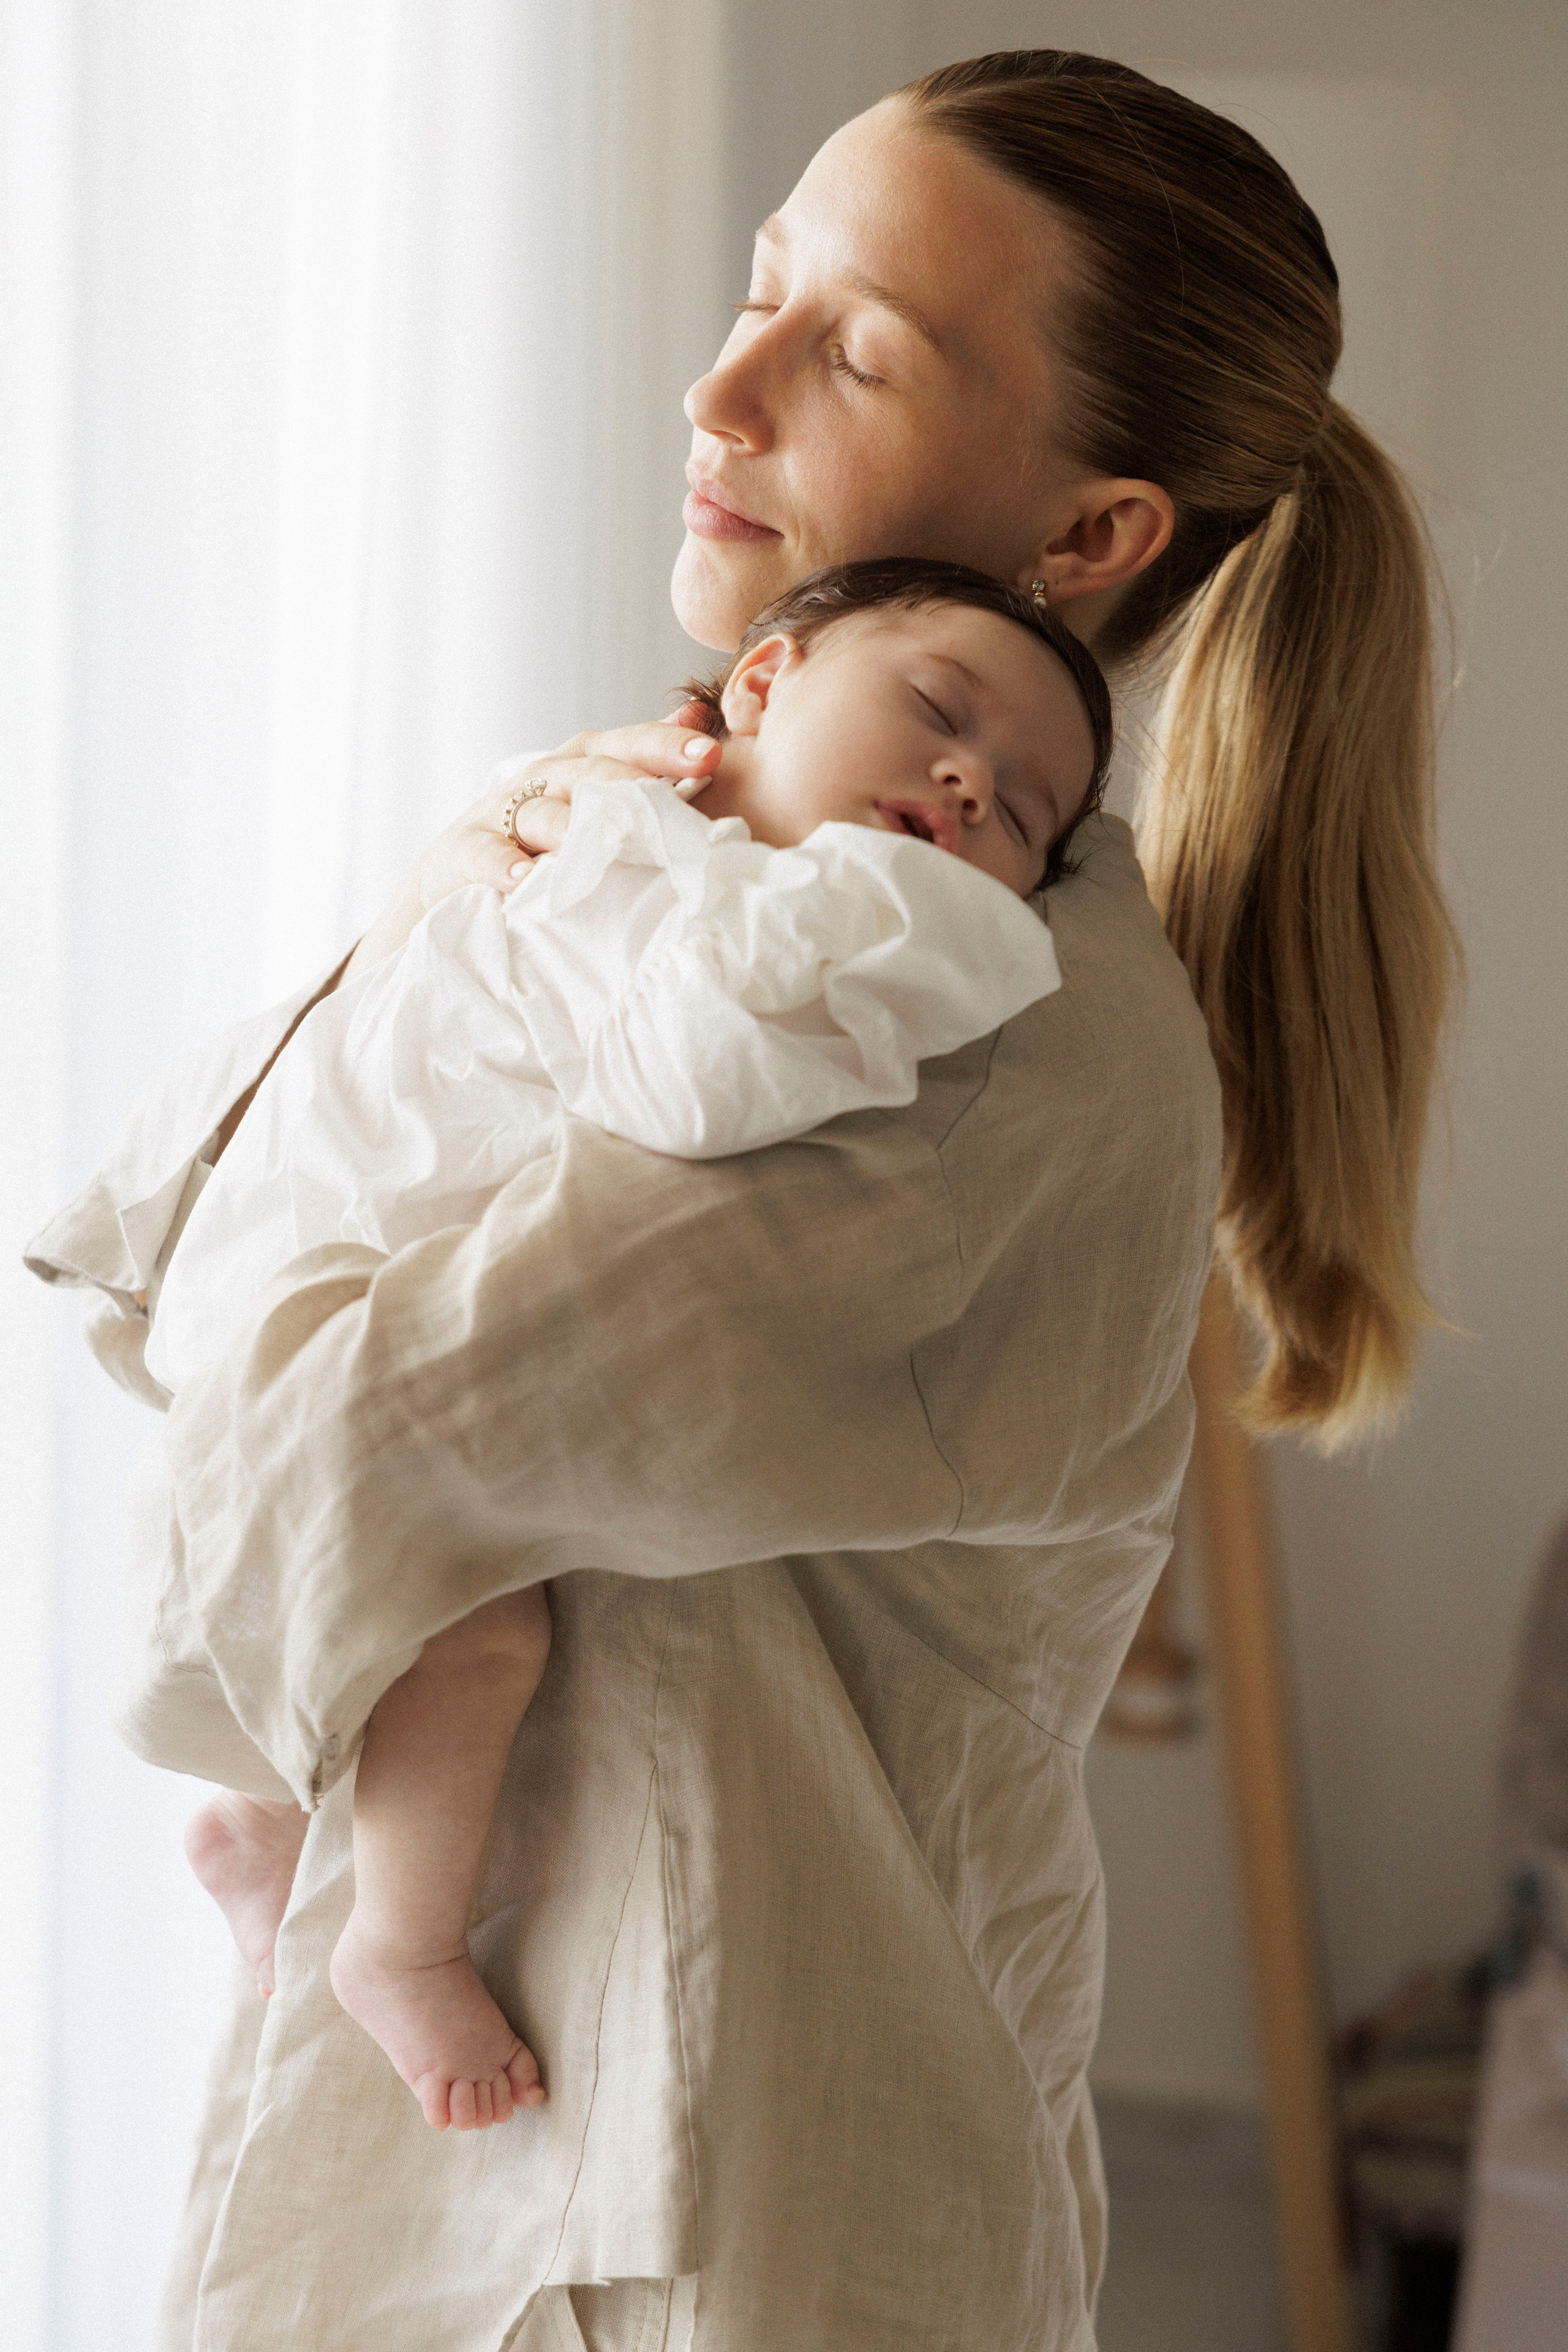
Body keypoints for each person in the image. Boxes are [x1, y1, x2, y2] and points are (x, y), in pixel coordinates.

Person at [26, 49, 1455, 2352]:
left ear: (1097, 539)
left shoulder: (959, 1022)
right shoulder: (699, 844)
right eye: (763, 283)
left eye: (857, 347)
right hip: (532, 2156)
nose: (721, 377)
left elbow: (332, 1433)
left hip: (727, 2212)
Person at [144, 560, 1110, 2135]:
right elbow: (690, 1083)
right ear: (760, 685)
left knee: (396, 1598)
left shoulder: (619, 831)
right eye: (940, 715)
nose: (966, 781)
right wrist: (929, 916)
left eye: (1017, 815)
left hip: (300, 1270)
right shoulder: (656, 870)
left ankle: (257, 1823)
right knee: (475, 1631)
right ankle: (396, 1940)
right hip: (308, 1287)